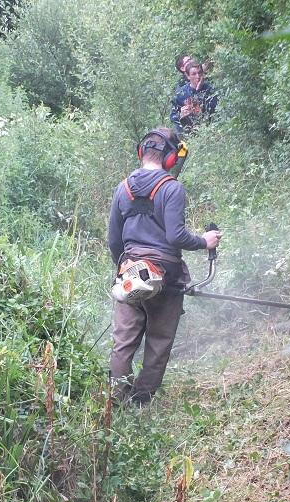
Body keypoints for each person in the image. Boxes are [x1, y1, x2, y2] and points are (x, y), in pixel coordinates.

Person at [108, 128, 222, 406]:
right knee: (158, 343)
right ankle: (140, 402)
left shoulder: (122, 188)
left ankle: (117, 402)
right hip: (165, 276)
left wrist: (124, 269)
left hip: (130, 273)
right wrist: (204, 241)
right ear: (171, 158)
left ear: (141, 152)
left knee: (123, 343)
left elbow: (114, 239)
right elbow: (175, 236)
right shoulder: (172, 187)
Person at [170, 62, 219, 135]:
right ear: (188, 76)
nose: (198, 76)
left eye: (199, 73)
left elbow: (217, 111)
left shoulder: (211, 90)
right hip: (189, 134)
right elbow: (173, 117)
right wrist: (181, 115)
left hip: (211, 130)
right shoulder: (180, 94)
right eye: (194, 74)